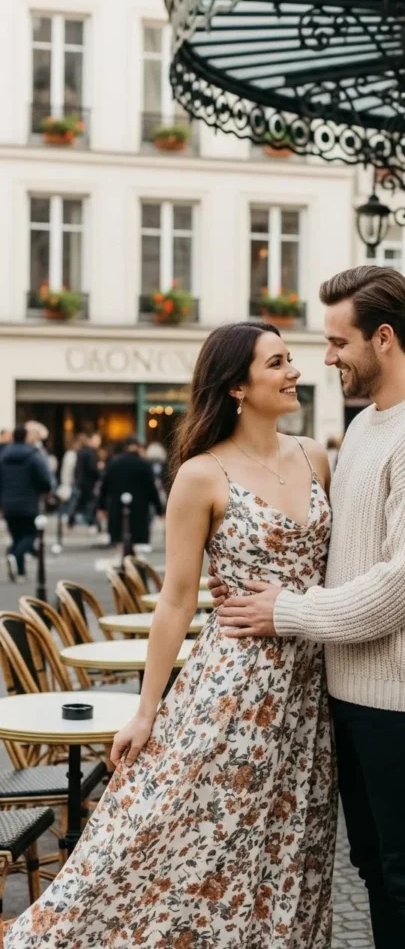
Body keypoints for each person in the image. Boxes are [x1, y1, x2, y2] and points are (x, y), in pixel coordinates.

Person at [6, 322, 335, 948]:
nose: (294, 371)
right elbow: (178, 600)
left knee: (292, 844)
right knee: (176, 832)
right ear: (237, 386)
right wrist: (146, 711)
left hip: (310, 691)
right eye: (277, 363)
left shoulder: (314, 455)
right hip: (233, 687)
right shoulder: (201, 475)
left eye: (291, 359)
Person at [212, 266, 405, 949]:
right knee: (378, 870)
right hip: (356, 689)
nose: (325, 358)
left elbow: (404, 587)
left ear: (383, 338)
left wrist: (288, 612)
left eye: (338, 342)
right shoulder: (366, 427)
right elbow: (344, 554)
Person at [0, 426, 53, 582]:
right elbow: (44, 479)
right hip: (29, 501)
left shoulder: (3, 455)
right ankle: (14, 556)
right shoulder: (33, 455)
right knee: (31, 534)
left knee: (16, 536)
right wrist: (47, 490)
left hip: (8, 503)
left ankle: (20, 571)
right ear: (25, 437)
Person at [98, 435, 162, 549]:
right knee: (137, 543)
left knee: (120, 541)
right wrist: (159, 508)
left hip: (117, 507)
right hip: (140, 509)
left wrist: (101, 506)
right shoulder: (144, 464)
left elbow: (104, 487)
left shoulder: (114, 463)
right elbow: (151, 488)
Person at [68, 432, 101, 528]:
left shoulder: (82, 452)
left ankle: (78, 520)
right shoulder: (90, 453)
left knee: (78, 502)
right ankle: (91, 521)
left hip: (81, 481)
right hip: (86, 483)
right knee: (88, 503)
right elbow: (92, 468)